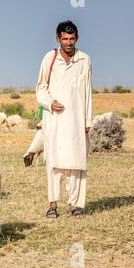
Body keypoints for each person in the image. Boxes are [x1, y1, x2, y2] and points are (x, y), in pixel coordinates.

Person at [36, 20, 93, 218]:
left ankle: (75, 205)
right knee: (54, 162)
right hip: (56, 121)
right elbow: (40, 88)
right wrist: (50, 102)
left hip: (77, 120)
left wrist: (87, 121)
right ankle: (52, 205)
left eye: (72, 38)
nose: (68, 42)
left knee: (76, 163)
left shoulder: (84, 59)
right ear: (57, 39)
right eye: (65, 39)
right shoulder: (49, 58)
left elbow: (87, 92)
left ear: (77, 38)